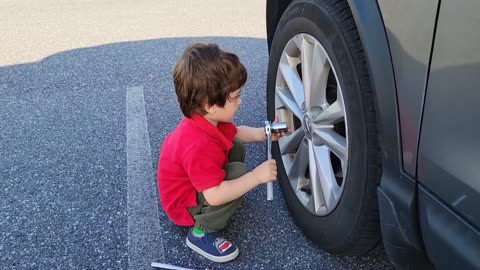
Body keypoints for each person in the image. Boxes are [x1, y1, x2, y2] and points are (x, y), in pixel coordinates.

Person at [157, 43, 285, 263]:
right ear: (210, 105)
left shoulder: (208, 119)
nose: (240, 101)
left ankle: (231, 192)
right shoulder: (197, 145)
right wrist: (255, 178)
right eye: (234, 97)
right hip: (185, 207)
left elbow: (237, 133)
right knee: (238, 174)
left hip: (194, 184)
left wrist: (265, 133)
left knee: (236, 146)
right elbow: (214, 195)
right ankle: (201, 232)